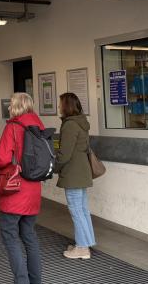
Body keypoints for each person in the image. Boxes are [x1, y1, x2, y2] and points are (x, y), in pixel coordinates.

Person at [0, 93, 44, 284]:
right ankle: (35, 280)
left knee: (9, 234)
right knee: (29, 235)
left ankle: (21, 280)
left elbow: (2, 159)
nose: (8, 107)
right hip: (34, 189)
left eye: (11, 104)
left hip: (16, 189)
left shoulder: (13, 127)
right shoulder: (38, 125)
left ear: (16, 106)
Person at [56, 93, 95, 260]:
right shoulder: (82, 123)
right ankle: (85, 242)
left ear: (66, 106)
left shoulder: (69, 125)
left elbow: (64, 155)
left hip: (73, 173)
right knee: (83, 210)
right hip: (82, 171)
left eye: (60, 104)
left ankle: (82, 248)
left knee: (76, 211)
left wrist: (52, 166)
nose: (58, 107)